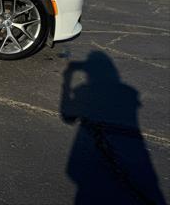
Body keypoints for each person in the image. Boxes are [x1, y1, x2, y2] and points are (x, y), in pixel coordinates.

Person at [60, 51, 166, 204]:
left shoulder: (83, 90)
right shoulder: (129, 92)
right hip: (138, 155)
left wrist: (67, 78)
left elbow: (67, 118)